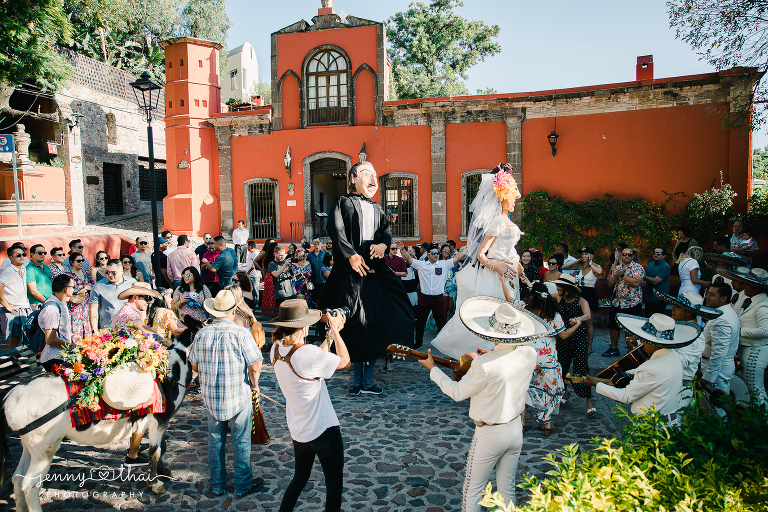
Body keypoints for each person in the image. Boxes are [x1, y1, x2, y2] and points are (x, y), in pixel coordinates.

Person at [420, 297, 546, 511]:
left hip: (490, 433)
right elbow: (507, 361)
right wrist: (490, 356)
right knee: (507, 490)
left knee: (473, 491)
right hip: (515, 429)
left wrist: (434, 370)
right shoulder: (529, 353)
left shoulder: (483, 365)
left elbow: (457, 392)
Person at [317, 160, 414, 396]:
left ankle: (367, 381)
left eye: (374, 174)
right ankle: (358, 380)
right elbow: (336, 230)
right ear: (353, 179)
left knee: (378, 321)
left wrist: (383, 245)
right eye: (366, 173)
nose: (373, 179)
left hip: (375, 273)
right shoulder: (342, 203)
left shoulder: (378, 208)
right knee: (356, 323)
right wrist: (350, 255)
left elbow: (386, 232)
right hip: (350, 273)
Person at [430, 165, 523, 359]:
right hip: (494, 276)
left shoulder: (508, 222)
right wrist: (496, 265)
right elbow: (481, 254)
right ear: (504, 196)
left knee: (506, 313)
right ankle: (487, 352)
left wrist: (518, 264)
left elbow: (509, 248)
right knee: (492, 313)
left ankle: (501, 351)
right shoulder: (497, 221)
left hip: (509, 274)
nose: (517, 196)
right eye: (513, 193)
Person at [269, 300, 349, 512]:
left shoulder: (276, 350)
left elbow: (315, 363)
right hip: (324, 429)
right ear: (303, 328)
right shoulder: (306, 354)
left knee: (299, 478)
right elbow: (344, 361)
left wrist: (328, 338)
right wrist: (336, 330)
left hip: (299, 429)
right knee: (333, 484)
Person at [190, 290, 264, 498]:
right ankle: (242, 484)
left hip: (211, 396)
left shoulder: (201, 334)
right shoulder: (241, 334)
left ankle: (217, 484)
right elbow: (255, 365)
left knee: (215, 441)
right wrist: (255, 386)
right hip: (238, 394)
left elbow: (194, 366)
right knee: (241, 441)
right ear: (233, 311)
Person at [580, 313, 700, 423]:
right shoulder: (674, 356)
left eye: (645, 339)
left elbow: (626, 396)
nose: (641, 341)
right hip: (670, 420)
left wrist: (596, 384)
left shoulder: (650, 368)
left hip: (651, 426)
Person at [499, 281, 567, 434]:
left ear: (532, 295)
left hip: (527, 355)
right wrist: (578, 323)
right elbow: (562, 335)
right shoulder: (554, 314)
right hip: (548, 357)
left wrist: (502, 281)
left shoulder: (524, 308)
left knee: (524, 387)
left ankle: (522, 422)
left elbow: (508, 298)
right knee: (548, 388)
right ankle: (546, 422)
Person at [652, 289, 723, 405]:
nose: (672, 309)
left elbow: (681, 362)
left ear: (688, 313)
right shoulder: (676, 327)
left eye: (677, 307)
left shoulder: (696, 337)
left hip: (679, 389)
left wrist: (657, 349)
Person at [716, 267, 768, 405]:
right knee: (751, 389)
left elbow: (765, 331)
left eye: (747, 283)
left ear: (757, 287)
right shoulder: (754, 300)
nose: (744, 286)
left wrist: (739, 331)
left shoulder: (762, 304)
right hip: (747, 349)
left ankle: (762, 417)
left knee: (755, 389)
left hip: (756, 350)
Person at [400, 242, 465, 348]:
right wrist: (402, 249)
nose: (436, 255)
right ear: (428, 255)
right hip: (424, 298)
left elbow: (457, 258)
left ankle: (442, 343)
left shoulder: (444, 264)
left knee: (441, 322)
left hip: (438, 299)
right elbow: (409, 259)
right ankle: (418, 342)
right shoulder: (421, 265)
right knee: (420, 322)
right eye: (433, 253)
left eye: (437, 253)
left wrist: (467, 248)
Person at [549, 275, 595, 418]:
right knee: (562, 368)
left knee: (581, 369)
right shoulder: (558, 298)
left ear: (568, 289)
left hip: (578, 339)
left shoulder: (581, 301)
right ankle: (565, 392)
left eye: (560, 289)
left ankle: (589, 401)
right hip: (563, 339)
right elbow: (543, 295)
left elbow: (588, 315)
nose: (558, 290)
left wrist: (578, 318)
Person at [700, 282, 740, 415]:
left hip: (718, 370)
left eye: (712, 295)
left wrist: (708, 378)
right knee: (713, 408)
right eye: (707, 294)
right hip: (718, 368)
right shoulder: (723, 313)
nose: (707, 297)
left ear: (724, 298)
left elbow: (719, 352)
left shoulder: (722, 319)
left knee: (716, 410)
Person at [603, 246, 644, 358]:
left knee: (629, 328)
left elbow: (636, 282)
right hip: (618, 302)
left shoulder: (637, 267)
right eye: (624, 254)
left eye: (629, 255)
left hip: (632, 303)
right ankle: (613, 348)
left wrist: (622, 275)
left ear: (633, 256)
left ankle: (630, 352)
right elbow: (610, 284)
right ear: (621, 256)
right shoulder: (617, 267)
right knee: (614, 326)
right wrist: (615, 276)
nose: (626, 256)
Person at [562, 247, 601, 353]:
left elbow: (599, 271)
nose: (583, 256)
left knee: (588, 322)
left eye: (586, 254)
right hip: (579, 292)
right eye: (582, 254)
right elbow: (564, 267)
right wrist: (577, 261)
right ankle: (576, 344)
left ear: (591, 255)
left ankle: (589, 347)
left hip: (590, 293)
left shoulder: (595, 266)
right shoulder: (580, 265)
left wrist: (590, 263)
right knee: (577, 318)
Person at [39, 274, 76, 372]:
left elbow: (60, 330)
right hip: (54, 358)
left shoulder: (61, 302)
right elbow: (50, 339)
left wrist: (73, 336)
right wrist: (72, 346)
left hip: (62, 355)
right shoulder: (52, 309)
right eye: (73, 287)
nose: (74, 289)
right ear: (66, 289)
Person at [88, 259, 137, 330]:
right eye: (107, 272)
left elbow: (139, 305)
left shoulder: (132, 283)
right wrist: (94, 330)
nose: (110, 275)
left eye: (113, 272)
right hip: (108, 329)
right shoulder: (99, 286)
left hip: (130, 327)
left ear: (121, 271)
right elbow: (93, 309)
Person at [0, 246, 31, 348]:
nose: (22, 257)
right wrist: (7, 306)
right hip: (15, 310)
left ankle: (21, 358)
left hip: (25, 308)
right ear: (10, 258)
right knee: (15, 339)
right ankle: (12, 359)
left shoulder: (23, 269)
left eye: (23, 254)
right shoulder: (9, 272)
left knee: (26, 338)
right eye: (18, 255)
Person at [66, 253, 94, 338]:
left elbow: (93, 284)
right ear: (71, 262)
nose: (81, 262)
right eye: (78, 261)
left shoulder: (85, 273)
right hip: (74, 304)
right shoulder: (68, 274)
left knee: (86, 322)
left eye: (82, 260)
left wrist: (82, 288)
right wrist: (85, 287)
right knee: (75, 324)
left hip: (85, 303)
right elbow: (72, 289)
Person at [643, 246, 671, 317]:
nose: (655, 255)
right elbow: (645, 275)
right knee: (648, 318)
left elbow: (655, 281)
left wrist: (643, 276)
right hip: (649, 297)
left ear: (664, 256)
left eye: (658, 253)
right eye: (654, 253)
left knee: (657, 320)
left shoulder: (666, 266)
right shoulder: (650, 264)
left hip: (660, 299)